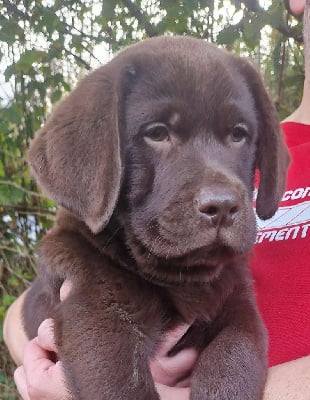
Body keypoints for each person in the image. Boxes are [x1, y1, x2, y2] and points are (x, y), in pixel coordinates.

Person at [4, 0, 310, 398]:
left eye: (236, 135)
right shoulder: (96, 250)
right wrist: (34, 351)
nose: (219, 192)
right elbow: (31, 315)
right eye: (159, 133)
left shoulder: (227, 255)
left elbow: (238, 329)